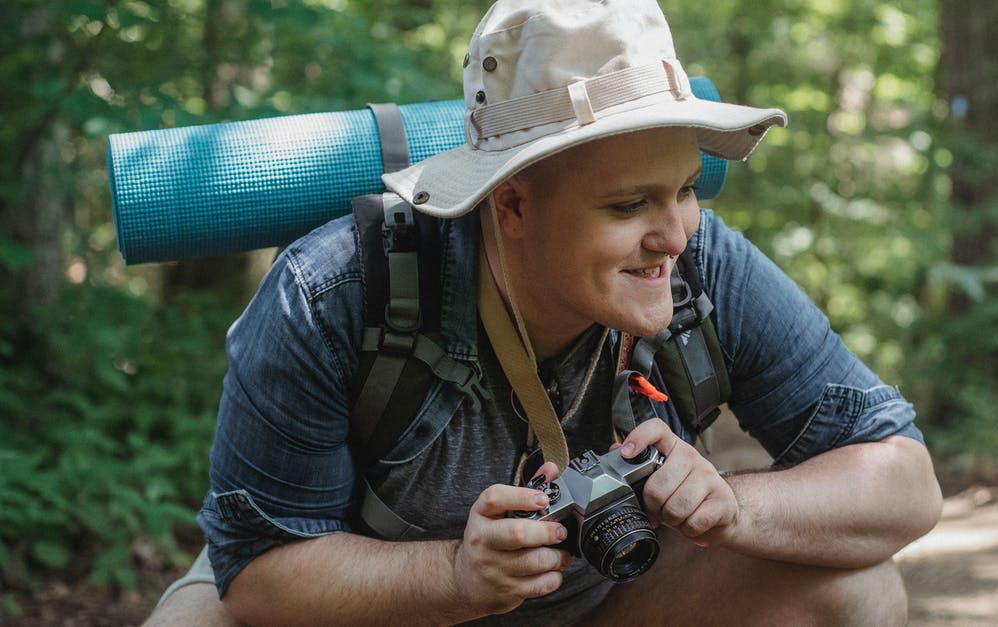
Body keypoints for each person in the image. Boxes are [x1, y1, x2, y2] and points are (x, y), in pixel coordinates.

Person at [145, 0, 942, 624]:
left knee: (854, 594)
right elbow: (258, 574)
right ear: (515, 203)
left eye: (687, 188)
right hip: (373, 612)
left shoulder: (703, 266)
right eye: (630, 203)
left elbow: (904, 483)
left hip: (598, 611)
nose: (673, 234)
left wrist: (735, 506)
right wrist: (457, 576)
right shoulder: (334, 292)